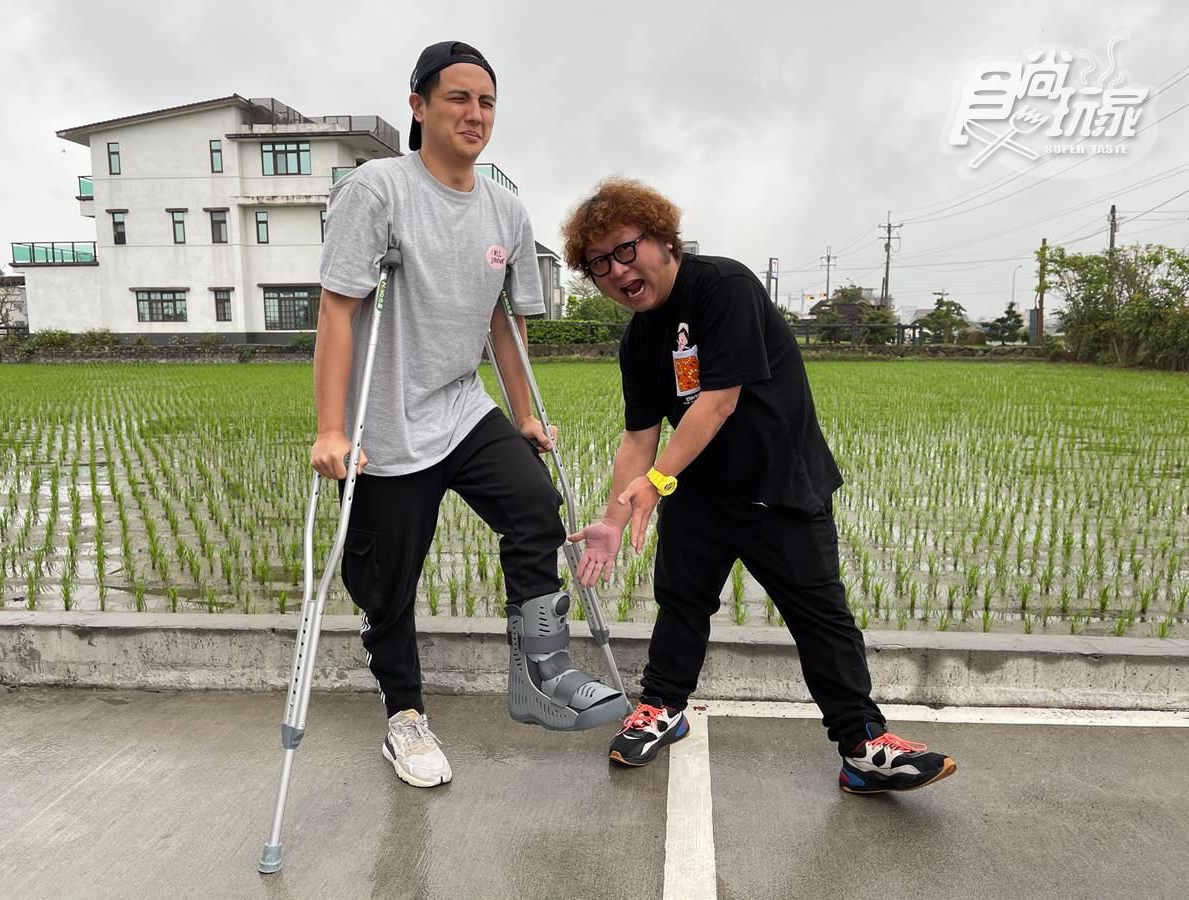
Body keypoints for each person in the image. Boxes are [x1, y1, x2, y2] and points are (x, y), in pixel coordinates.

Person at [560, 178, 956, 794]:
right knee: (682, 605)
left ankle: (861, 744)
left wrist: (660, 480)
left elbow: (717, 402)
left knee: (821, 619)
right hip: (698, 491)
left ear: (663, 239)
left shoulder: (723, 287)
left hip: (780, 487)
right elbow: (638, 437)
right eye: (598, 264)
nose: (616, 271)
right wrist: (612, 519)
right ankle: (663, 709)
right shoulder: (639, 339)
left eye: (625, 249)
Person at [312, 42, 626, 790]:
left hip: (461, 405)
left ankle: (541, 669)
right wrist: (330, 427)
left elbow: (504, 326)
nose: (474, 114)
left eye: (486, 101)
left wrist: (522, 414)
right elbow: (339, 305)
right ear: (418, 106)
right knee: (388, 587)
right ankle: (405, 717)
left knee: (533, 507)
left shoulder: (505, 210)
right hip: (385, 425)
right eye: (458, 98)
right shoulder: (376, 190)